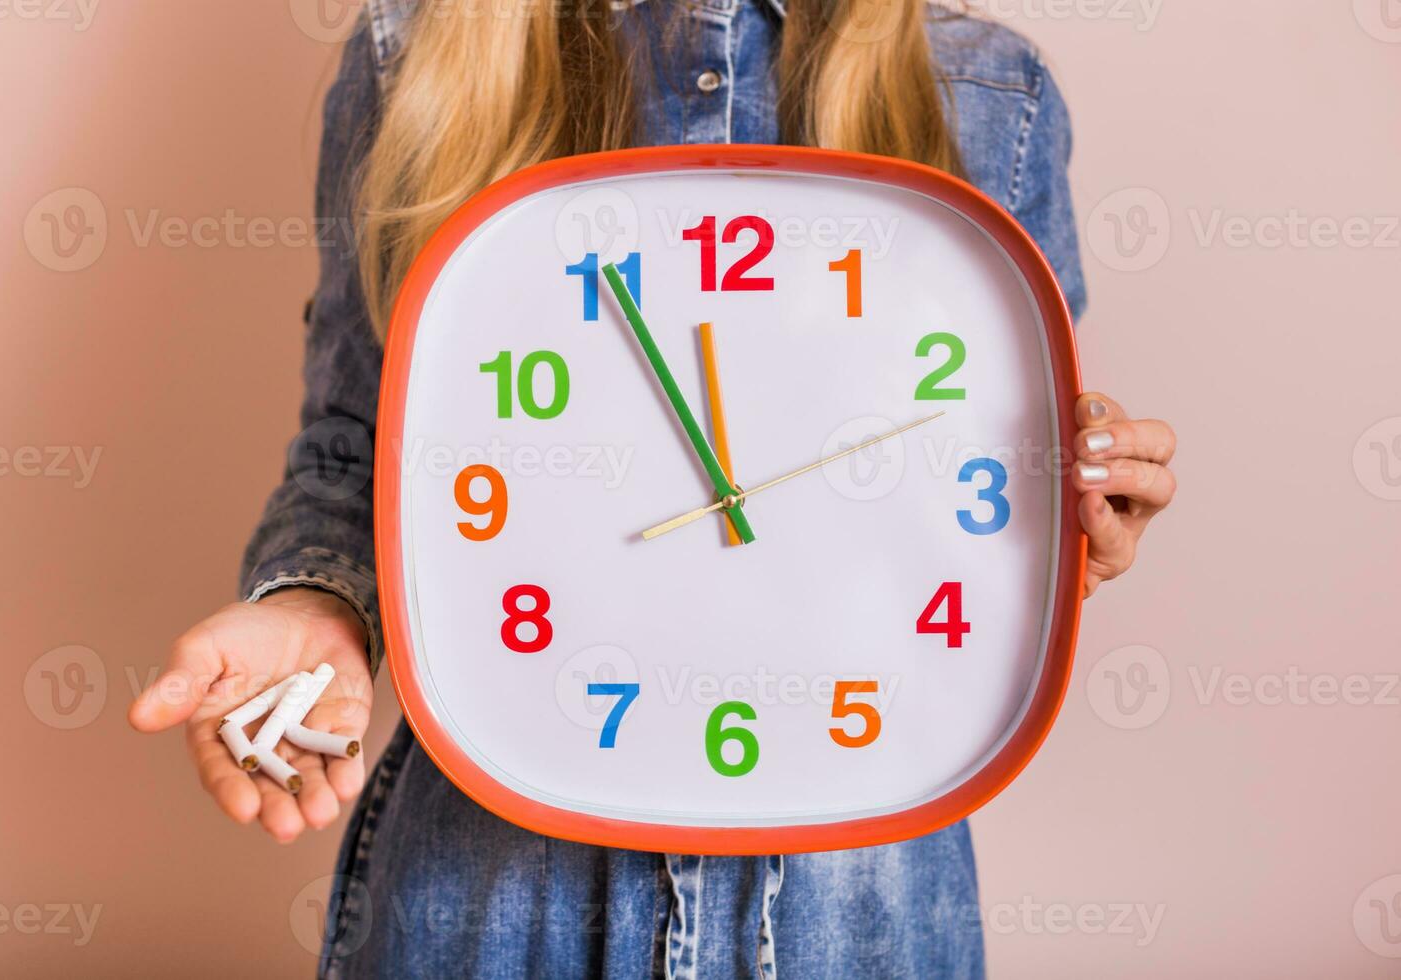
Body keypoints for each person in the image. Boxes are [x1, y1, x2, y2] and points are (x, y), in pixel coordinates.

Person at [129, 1, 1178, 975]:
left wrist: (1067, 528)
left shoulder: (992, 94)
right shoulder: (418, 49)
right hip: (496, 898)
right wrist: (315, 600)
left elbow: (979, 489)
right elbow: (354, 453)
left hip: (861, 913)